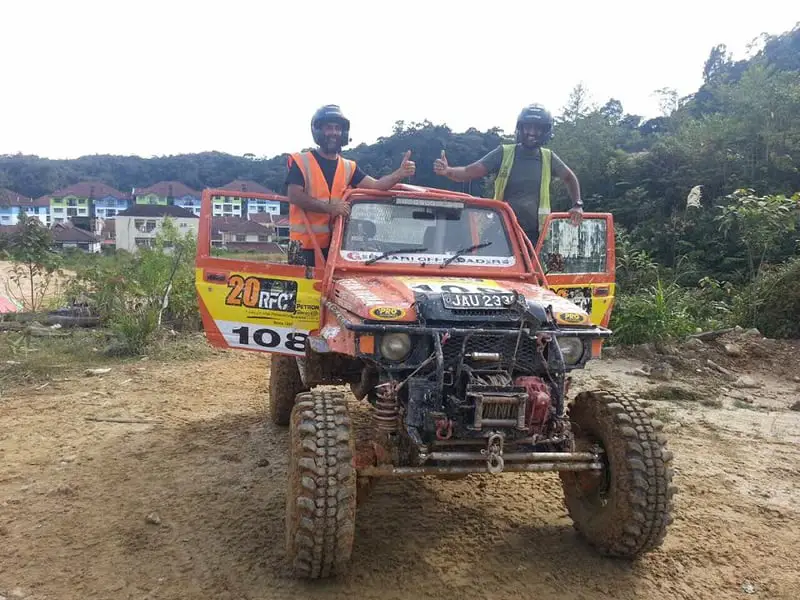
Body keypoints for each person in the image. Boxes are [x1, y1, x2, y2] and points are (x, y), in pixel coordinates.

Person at [433, 103, 584, 246]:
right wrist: (448, 171)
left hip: (535, 235)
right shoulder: (504, 152)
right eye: (527, 127)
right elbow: (469, 171)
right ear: (520, 128)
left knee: (535, 273)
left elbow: (570, 178)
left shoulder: (549, 157)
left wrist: (577, 205)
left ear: (545, 131)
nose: (531, 132)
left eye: (537, 128)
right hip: (502, 230)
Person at [285, 104, 415, 267]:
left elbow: (377, 186)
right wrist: (329, 208)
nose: (333, 133)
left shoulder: (349, 167)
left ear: (343, 133)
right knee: (307, 292)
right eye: (328, 128)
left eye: (337, 128)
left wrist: (399, 174)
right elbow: (294, 195)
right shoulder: (301, 161)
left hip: (336, 247)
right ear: (318, 131)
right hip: (303, 248)